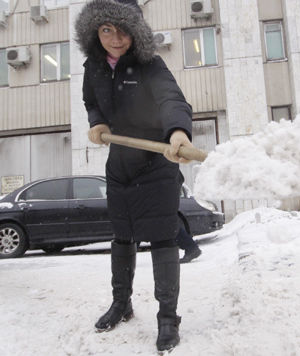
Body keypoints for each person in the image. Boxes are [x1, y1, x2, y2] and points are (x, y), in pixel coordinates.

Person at [75, 0, 194, 352]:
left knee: (162, 239)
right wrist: (97, 122)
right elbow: (90, 101)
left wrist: (177, 132)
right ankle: (121, 303)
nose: (115, 38)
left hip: (156, 162)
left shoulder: (150, 64)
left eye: (123, 29)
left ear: (136, 31)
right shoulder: (93, 67)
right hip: (121, 166)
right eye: (106, 29)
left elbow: (172, 98)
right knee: (122, 237)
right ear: (95, 32)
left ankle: (168, 317)